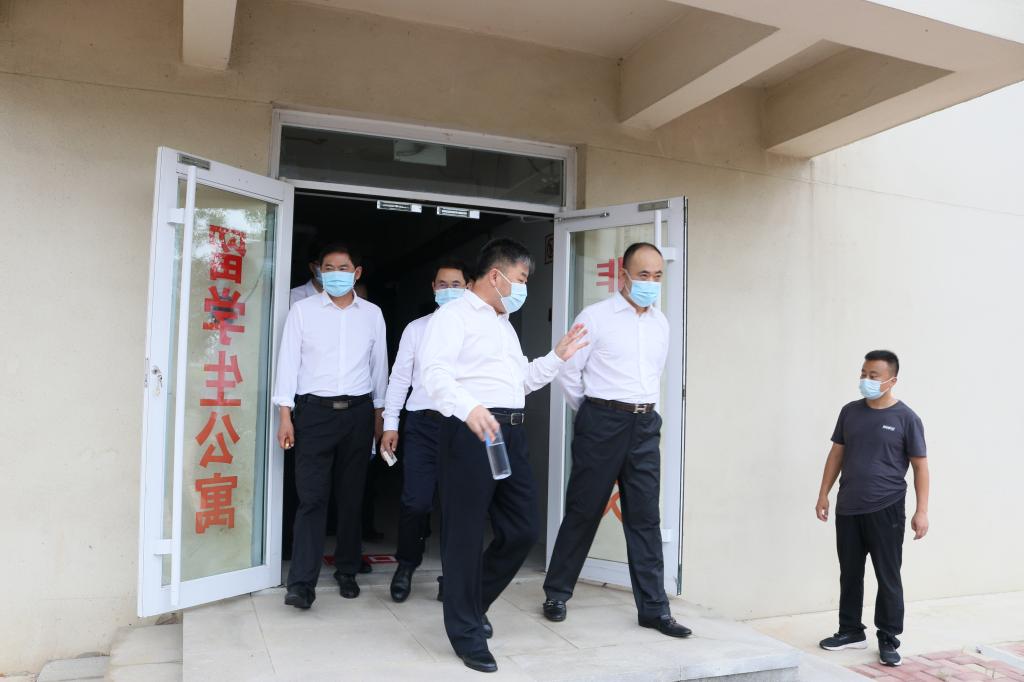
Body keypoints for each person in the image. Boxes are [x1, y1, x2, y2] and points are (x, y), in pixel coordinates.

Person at [418, 238, 588, 673]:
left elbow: (520, 382)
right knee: (464, 535)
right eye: (521, 279)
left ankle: (472, 603)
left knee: (523, 528)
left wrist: (556, 357)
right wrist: (468, 408)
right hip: (470, 431)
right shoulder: (453, 316)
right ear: (496, 276)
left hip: (508, 433)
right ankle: (466, 632)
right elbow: (433, 374)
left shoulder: (504, 323)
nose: (523, 288)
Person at [542, 242, 692, 639]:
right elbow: (568, 371)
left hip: (644, 426)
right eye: (643, 275)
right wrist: (592, 412)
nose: (651, 283)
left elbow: (655, 373)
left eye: (657, 276)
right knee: (584, 509)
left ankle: (654, 609)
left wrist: (642, 414)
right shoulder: (595, 317)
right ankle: (557, 593)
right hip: (601, 422)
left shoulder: (660, 322)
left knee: (645, 517)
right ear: (623, 275)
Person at [272, 242, 387, 610]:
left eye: (343, 267)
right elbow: (288, 362)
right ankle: (301, 584)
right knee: (311, 498)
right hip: (313, 413)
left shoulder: (372, 314)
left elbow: (379, 369)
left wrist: (380, 421)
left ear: (357, 273)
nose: (336, 274)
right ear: (319, 271)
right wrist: (285, 415)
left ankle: (347, 570)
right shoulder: (303, 311)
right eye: (329, 268)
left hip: (358, 413)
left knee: (352, 497)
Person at [815, 350, 929, 668]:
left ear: (892, 380)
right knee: (850, 573)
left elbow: (920, 466)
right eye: (863, 374)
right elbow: (836, 454)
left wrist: (922, 511)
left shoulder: (906, 418)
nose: (866, 380)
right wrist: (824, 494)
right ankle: (850, 630)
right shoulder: (850, 412)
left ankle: (888, 638)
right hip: (849, 507)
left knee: (887, 575)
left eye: (873, 376)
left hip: (886, 507)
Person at [381, 260, 470, 603]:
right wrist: (391, 424)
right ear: (433, 288)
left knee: (457, 506)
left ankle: (453, 576)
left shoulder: (480, 328)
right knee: (415, 502)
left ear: (468, 287)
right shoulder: (416, 329)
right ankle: (406, 564)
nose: (449, 290)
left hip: (462, 424)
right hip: (422, 424)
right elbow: (399, 379)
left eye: (456, 284)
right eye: (442, 284)